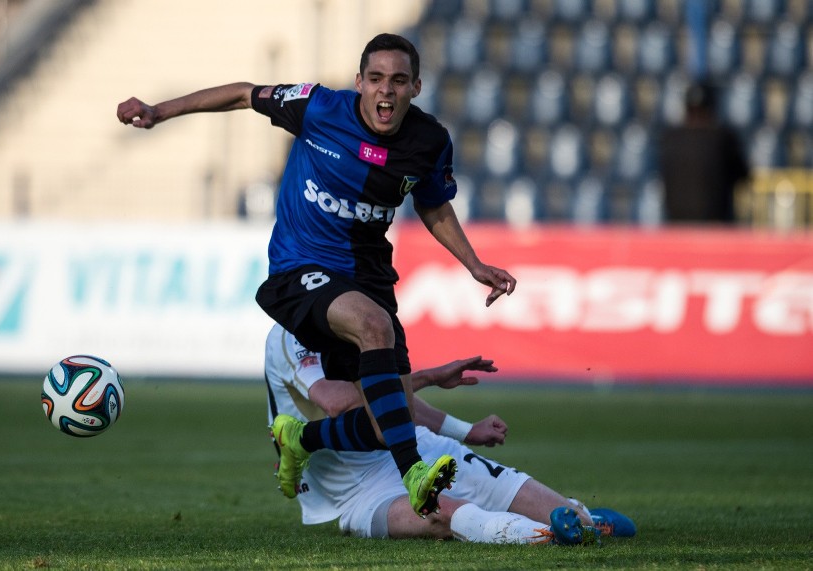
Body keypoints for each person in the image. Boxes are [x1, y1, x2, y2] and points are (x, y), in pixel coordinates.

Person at [116, 33, 517, 518]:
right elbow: (245, 93)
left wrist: (474, 265)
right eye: (374, 79)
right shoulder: (318, 107)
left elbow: (432, 204)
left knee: (386, 414)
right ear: (358, 83)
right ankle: (414, 475)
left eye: (396, 81)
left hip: (366, 276)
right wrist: (160, 111)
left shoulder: (429, 142)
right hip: (298, 269)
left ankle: (299, 438)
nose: (384, 91)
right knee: (374, 327)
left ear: (415, 86)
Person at [264, 323, 637, 544]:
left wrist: (464, 429)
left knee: (575, 520)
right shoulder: (291, 332)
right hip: (359, 491)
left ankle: (579, 514)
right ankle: (549, 534)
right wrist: (427, 377)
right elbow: (337, 403)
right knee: (442, 517)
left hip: (417, 446)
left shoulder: (369, 318)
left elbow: (396, 403)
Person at [659, 80, 751, 224]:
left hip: (676, 229)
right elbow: (743, 176)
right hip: (713, 230)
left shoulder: (670, 137)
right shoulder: (722, 137)